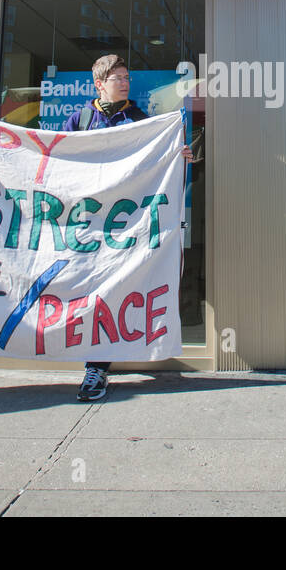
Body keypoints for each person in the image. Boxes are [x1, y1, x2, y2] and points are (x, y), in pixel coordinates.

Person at [63, 54, 192, 402]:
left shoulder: (138, 119)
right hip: (87, 225)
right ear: (99, 83)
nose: (124, 82)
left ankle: (97, 367)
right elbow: (61, 163)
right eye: (117, 77)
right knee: (87, 289)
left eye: (127, 77)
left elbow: (154, 158)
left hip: (124, 226)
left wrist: (176, 156)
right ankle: (91, 359)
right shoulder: (79, 119)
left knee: (116, 288)